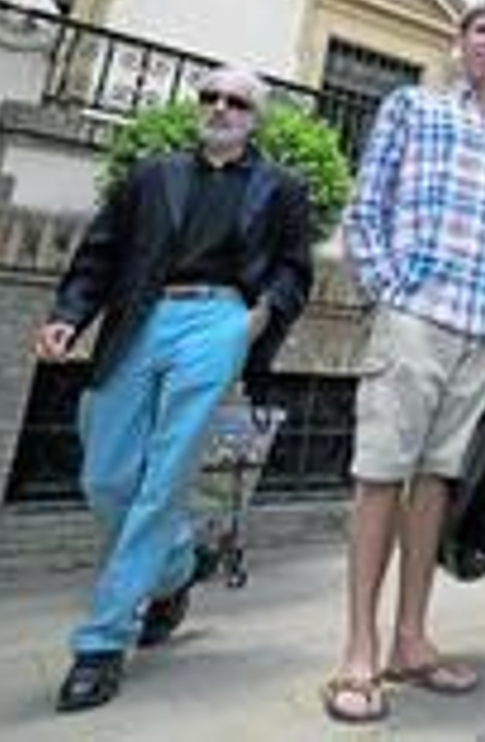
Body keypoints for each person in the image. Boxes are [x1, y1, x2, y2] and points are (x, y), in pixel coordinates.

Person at [33, 66, 314, 713]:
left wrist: (258, 315)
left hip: (219, 321)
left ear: (256, 116)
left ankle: (102, 642)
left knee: (165, 478)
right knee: (105, 477)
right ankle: (178, 565)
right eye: (210, 97)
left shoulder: (282, 188)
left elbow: (295, 271)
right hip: (142, 318)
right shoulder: (152, 174)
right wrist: (67, 316)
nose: (220, 108)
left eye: (236, 101)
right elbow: (99, 253)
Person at [326, 0, 485, 724]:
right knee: (380, 475)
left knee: (439, 482)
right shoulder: (411, 106)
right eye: (481, 30)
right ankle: (359, 648)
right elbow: (365, 204)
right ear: (459, 41)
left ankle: (411, 639)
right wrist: (389, 287)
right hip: (416, 315)